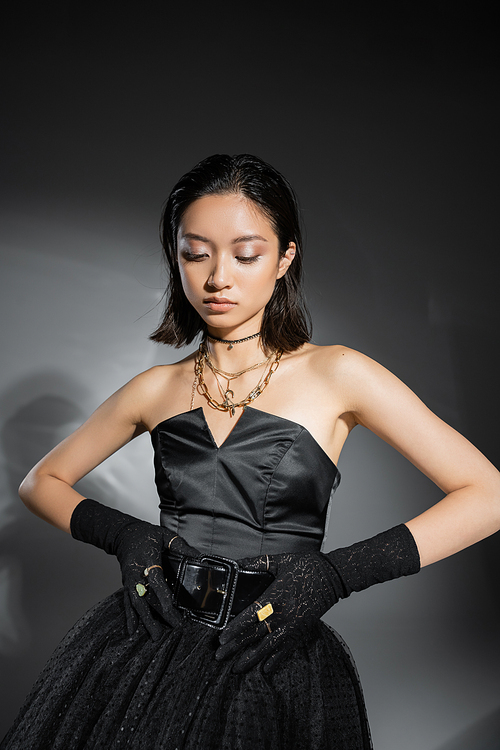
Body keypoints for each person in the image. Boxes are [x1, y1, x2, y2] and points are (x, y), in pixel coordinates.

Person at [1, 153, 499, 750]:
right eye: (195, 253)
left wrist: (337, 576)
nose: (217, 278)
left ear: (284, 258)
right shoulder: (154, 388)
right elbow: (40, 481)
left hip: (270, 647)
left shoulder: (338, 373)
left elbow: (488, 494)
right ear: (176, 258)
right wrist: (125, 536)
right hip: (147, 645)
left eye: (246, 254)